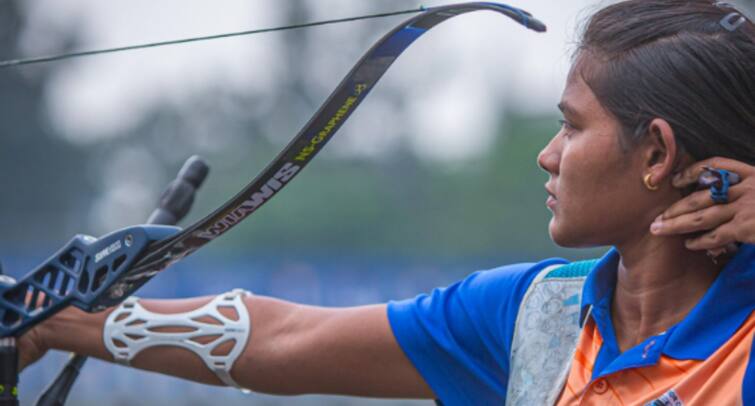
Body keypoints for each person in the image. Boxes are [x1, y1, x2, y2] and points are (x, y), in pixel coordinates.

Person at [18, 0, 755, 404]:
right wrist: (48, 320)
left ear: (655, 153)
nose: (548, 153)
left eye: (570, 125)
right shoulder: (537, 313)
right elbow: (286, 343)